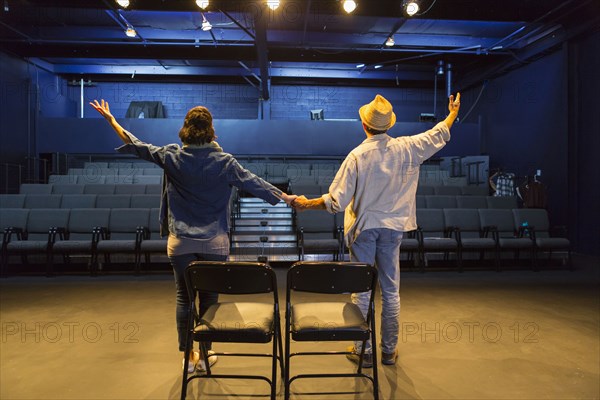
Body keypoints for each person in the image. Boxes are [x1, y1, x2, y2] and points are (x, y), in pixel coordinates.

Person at [89, 99, 297, 373]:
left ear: (185, 129)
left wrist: (111, 120)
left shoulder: (172, 156)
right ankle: (206, 353)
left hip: (180, 244)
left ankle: (188, 358)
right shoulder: (224, 162)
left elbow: (137, 145)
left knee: (184, 298)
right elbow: (253, 183)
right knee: (209, 298)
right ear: (211, 131)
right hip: (214, 242)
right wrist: (288, 198)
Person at [292, 93, 461, 366]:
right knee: (391, 291)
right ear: (389, 125)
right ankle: (388, 351)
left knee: (362, 290)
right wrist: (452, 112)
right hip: (393, 229)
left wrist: (305, 204)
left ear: (364, 125)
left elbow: (336, 201)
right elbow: (437, 133)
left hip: (364, 229)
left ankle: (363, 350)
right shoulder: (409, 148)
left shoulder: (357, 156)